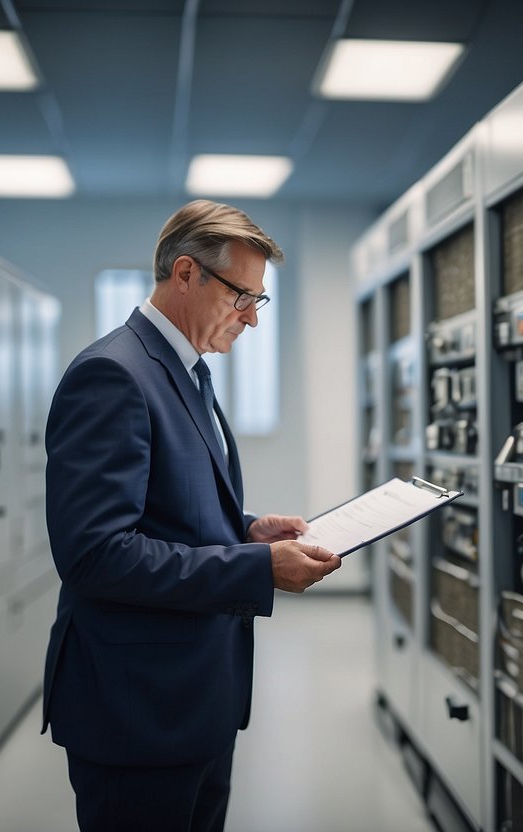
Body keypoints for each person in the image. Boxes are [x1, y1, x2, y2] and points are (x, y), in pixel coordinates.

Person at [41, 199, 341, 831]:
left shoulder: (188, 372)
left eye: (260, 301)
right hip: (137, 711)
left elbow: (167, 510)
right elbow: (96, 553)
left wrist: (246, 528)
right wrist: (256, 568)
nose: (252, 320)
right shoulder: (113, 374)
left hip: (198, 696)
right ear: (186, 274)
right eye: (242, 297)